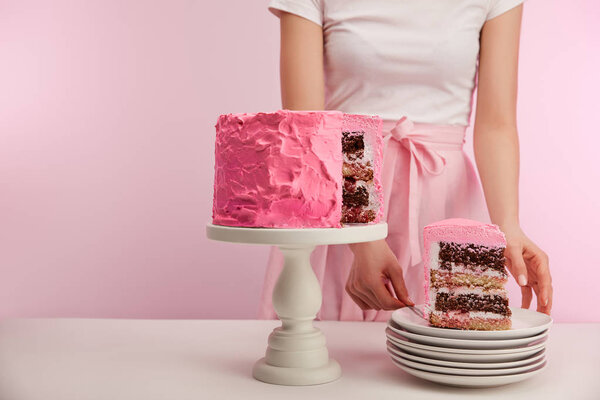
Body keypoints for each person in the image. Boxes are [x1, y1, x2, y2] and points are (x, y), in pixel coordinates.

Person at [258, 0, 553, 321]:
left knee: (443, 354)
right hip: (340, 198)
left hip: (443, 208)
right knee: (323, 354)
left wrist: (508, 225)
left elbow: (496, 125)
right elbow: (307, 125)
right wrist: (360, 234)